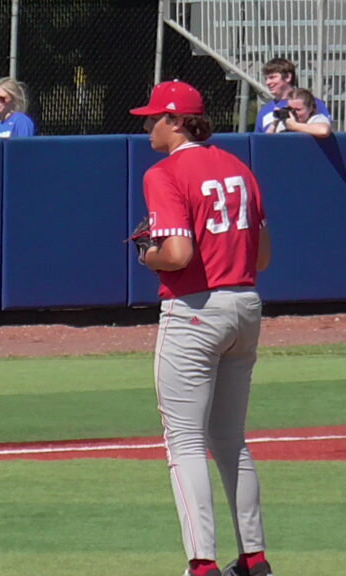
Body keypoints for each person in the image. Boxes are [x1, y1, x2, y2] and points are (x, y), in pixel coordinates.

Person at [128, 80, 273, 576]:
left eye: (153, 117)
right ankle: (254, 558)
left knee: (185, 443)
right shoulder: (239, 167)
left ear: (174, 120)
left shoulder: (164, 172)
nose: (147, 125)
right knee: (231, 438)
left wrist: (149, 256)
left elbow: (179, 254)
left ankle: (202, 565)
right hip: (246, 304)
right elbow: (265, 254)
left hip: (194, 310)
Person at [254, 57, 331, 134]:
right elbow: (261, 141)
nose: (267, 82)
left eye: (272, 77)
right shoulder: (265, 111)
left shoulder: (312, 103)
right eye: (266, 79)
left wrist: (294, 126)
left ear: (288, 77)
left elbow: (324, 131)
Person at [268, 88, 332, 138]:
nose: (293, 113)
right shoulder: (285, 123)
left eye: (298, 110)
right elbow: (266, 143)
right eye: (290, 109)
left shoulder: (316, 119)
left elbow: (323, 131)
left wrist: (295, 126)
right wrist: (275, 122)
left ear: (310, 108)